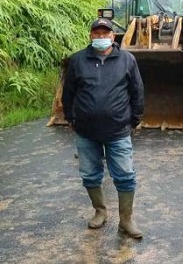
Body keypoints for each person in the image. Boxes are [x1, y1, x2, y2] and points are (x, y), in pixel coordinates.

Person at [61, 18, 145, 239]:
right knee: (90, 174)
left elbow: (137, 91)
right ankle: (100, 211)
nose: (100, 37)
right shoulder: (78, 60)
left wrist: (134, 119)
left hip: (118, 131)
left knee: (126, 175)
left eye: (105, 33)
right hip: (86, 132)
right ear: (90, 36)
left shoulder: (127, 60)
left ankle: (126, 220)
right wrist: (70, 117)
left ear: (113, 36)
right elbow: (68, 92)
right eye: (96, 33)